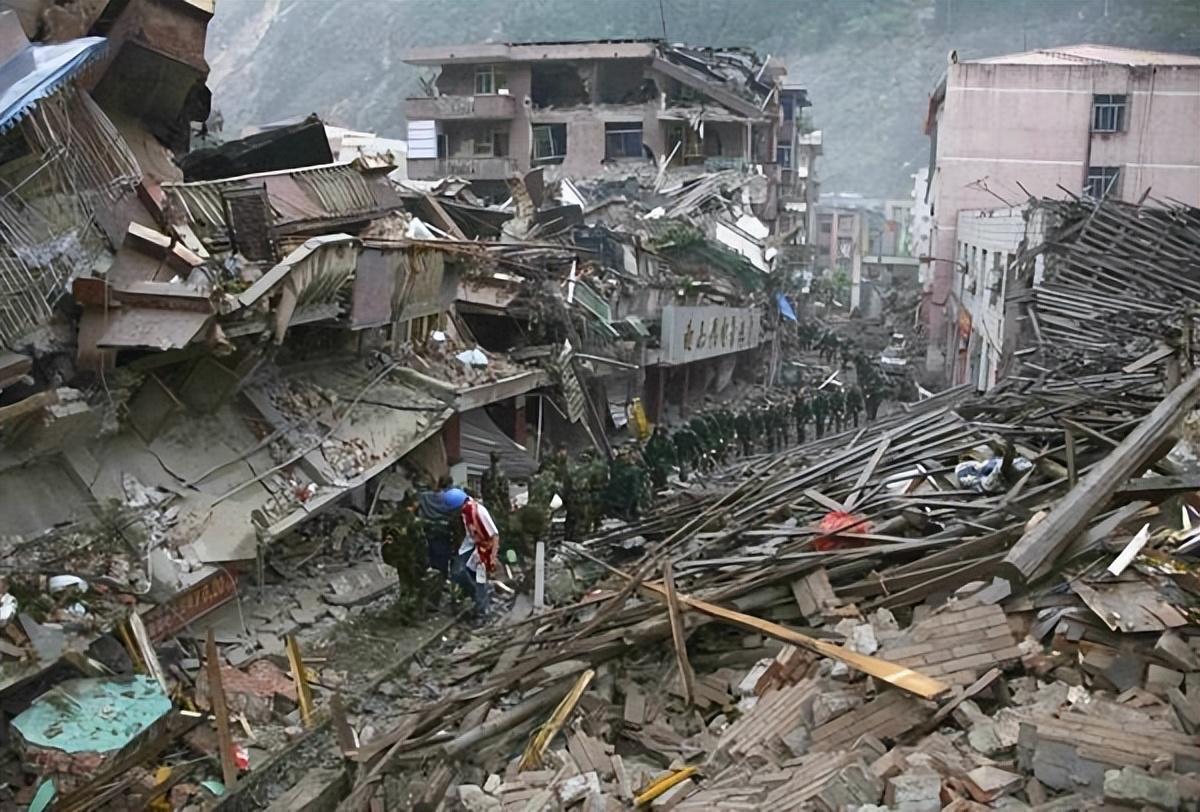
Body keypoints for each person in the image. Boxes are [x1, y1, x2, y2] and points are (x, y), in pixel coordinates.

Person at [457, 496, 500, 621]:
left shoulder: (479, 513)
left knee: (480, 580)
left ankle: (482, 611)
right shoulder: (467, 514)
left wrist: (492, 556)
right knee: (466, 575)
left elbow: (494, 536)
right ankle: (479, 601)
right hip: (474, 550)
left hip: (483, 553)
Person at [417, 484, 468, 582]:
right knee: (444, 560)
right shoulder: (450, 498)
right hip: (445, 533)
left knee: (433, 559)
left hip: (429, 532)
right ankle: (443, 581)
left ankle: (436, 581)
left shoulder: (424, 497)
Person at [644, 425, 675, 490]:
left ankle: (661, 484)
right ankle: (660, 484)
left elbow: (671, 452)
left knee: (661, 471)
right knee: (659, 471)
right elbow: (651, 452)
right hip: (656, 461)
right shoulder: (655, 441)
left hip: (660, 460)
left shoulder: (666, 441)